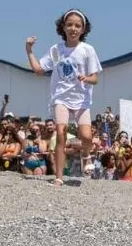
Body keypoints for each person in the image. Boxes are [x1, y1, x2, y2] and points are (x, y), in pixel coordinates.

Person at [27, 9, 101, 186]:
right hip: (61, 97)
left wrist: (86, 78)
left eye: (77, 25)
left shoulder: (87, 50)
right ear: (63, 27)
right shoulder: (56, 50)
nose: (73, 28)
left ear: (83, 29)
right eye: (69, 25)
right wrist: (29, 50)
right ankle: (59, 177)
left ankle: (85, 154)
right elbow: (39, 70)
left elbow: (95, 78)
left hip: (81, 99)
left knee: (86, 136)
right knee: (61, 134)